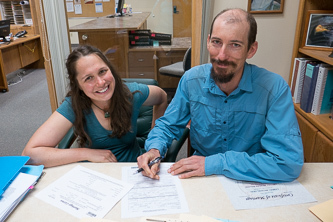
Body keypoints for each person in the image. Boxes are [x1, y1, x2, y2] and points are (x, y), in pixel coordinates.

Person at [137, 8, 304, 183]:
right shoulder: (191, 80)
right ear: (208, 42)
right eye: (217, 42)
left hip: (250, 177)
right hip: (201, 178)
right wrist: (154, 150)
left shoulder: (274, 89)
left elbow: (288, 163)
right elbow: (168, 125)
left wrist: (216, 163)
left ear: (251, 50)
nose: (222, 55)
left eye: (235, 45)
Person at [22, 45, 168, 167]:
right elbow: (30, 155)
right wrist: (86, 153)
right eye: (89, 78)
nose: (100, 82)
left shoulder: (131, 94)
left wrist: (154, 138)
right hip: (96, 174)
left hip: (133, 168)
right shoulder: (74, 105)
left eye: (102, 71)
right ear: (78, 85)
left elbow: (162, 97)